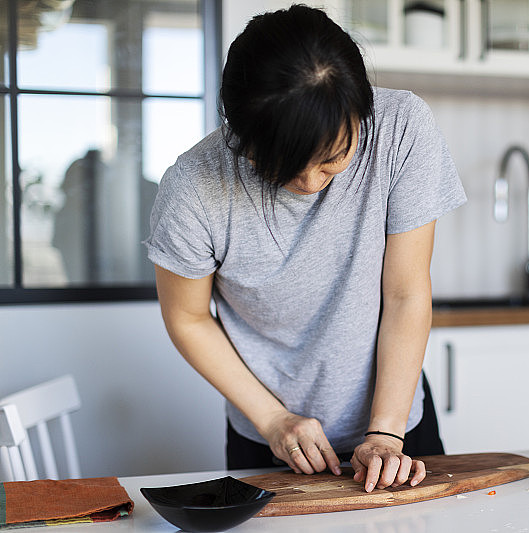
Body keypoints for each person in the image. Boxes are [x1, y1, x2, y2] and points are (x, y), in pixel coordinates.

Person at [144, 4, 465, 493]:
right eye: (287, 169)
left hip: (398, 426)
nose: (313, 184)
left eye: (334, 159)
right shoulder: (192, 188)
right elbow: (188, 317)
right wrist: (274, 420)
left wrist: (384, 432)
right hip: (268, 435)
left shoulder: (402, 130)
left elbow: (405, 293)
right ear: (241, 134)